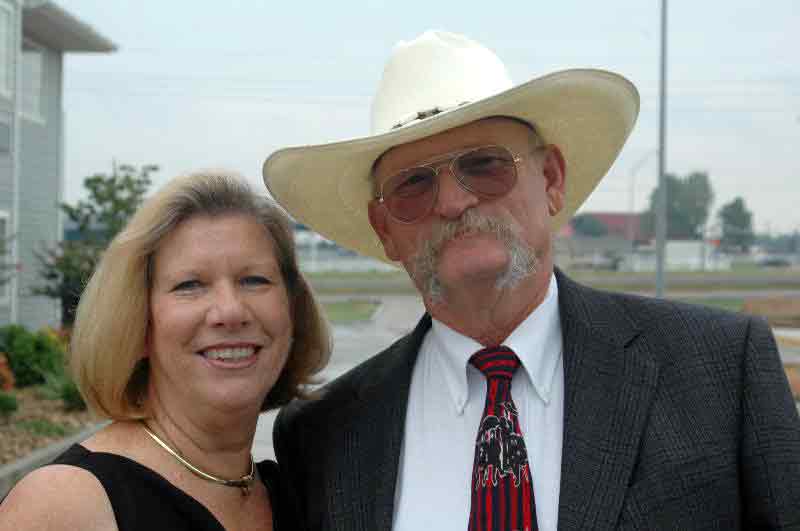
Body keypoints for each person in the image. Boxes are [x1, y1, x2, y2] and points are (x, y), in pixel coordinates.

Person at [263, 30, 800, 530]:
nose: (453, 201)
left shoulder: (720, 371)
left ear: (551, 180)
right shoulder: (323, 436)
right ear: (385, 230)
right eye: (413, 185)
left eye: (484, 165)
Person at [0, 171, 330, 530]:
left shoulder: (299, 496)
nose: (230, 311)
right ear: (138, 323)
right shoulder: (68, 505)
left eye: (254, 280)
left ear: (292, 310)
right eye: (190, 285)